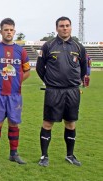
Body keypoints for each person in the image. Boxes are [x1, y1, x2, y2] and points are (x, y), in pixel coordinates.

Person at [36, 16, 87, 167]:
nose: (64, 28)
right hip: (53, 91)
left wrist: (76, 81)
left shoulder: (79, 47)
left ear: (71, 27)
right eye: (61, 26)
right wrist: (50, 82)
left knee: (71, 123)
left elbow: (83, 68)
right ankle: (44, 156)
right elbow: (40, 68)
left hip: (72, 91)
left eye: (67, 26)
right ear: (56, 28)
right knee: (47, 123)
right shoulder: (48, 45)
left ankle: (70, 155)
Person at [0, 18, 30, 164]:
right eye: (6, 30)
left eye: (11, 30)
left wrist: (16, 82)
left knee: (14, 124)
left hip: (15, 95)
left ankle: (13, 154)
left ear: (14, 31)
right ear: (1, 31)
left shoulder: (21, 51)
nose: (8, 32)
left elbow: (27, 71)